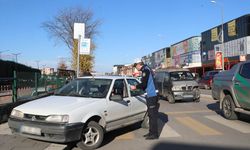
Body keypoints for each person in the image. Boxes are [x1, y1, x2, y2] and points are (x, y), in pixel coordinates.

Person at [131, 61, 159, 140]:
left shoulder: (145, 70)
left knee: (152, 116)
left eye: (136, 67)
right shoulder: (147, 69)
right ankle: (151, 132)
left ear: (139, 65)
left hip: (152, 95)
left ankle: (154, 134)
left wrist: (135, 87)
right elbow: (145, 85)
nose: (136, 69)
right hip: (151, 94)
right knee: (150, 115)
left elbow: (144, 84)